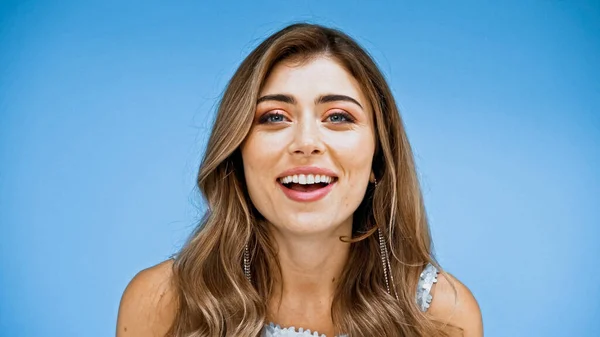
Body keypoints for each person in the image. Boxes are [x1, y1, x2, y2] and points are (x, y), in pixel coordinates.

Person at [116, 23, 483, 337]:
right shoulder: (160, 301)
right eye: (275, 117)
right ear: (236, 152)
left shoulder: (442, 316)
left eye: (338, 117)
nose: (306, 143)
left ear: (378, 157)